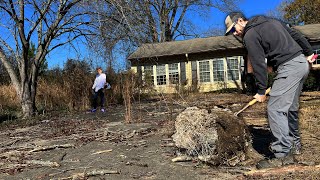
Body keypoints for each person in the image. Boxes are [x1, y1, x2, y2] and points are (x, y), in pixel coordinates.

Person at [224, 12, 315, 169]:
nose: (235, 34)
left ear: (240, 21)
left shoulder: (249, 34)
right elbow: (295, 34)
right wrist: (309, 52)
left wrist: (261, 90)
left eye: (234, 29)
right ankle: (294, 145)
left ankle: (282, 155)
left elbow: (258, 63)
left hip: (290, 67)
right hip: (300, 63)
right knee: (290, 107)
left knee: (275, 109)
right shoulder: (272, 22)